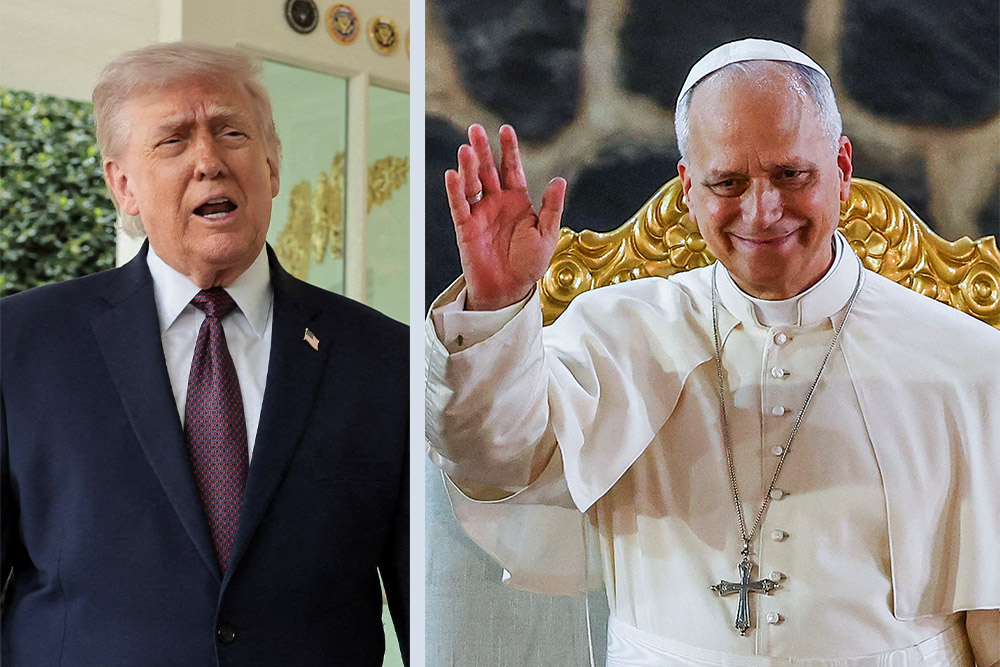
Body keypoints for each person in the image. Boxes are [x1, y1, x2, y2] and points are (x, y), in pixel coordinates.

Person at [425, 38, 999, 666]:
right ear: (687, 188)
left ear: (842, 165)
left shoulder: (968, 364)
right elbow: (491, 462)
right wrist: (497, 306)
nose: (762, 211)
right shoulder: (618, 333)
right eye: (726, 182)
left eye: (792, 174)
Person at [1, 42, 408, 666]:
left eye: (232, 132)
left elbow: (424, 604)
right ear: (123, 184)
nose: (210, 161)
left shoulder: (383, 358)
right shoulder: (21, 344)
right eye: (173, 141)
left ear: (272, 166)